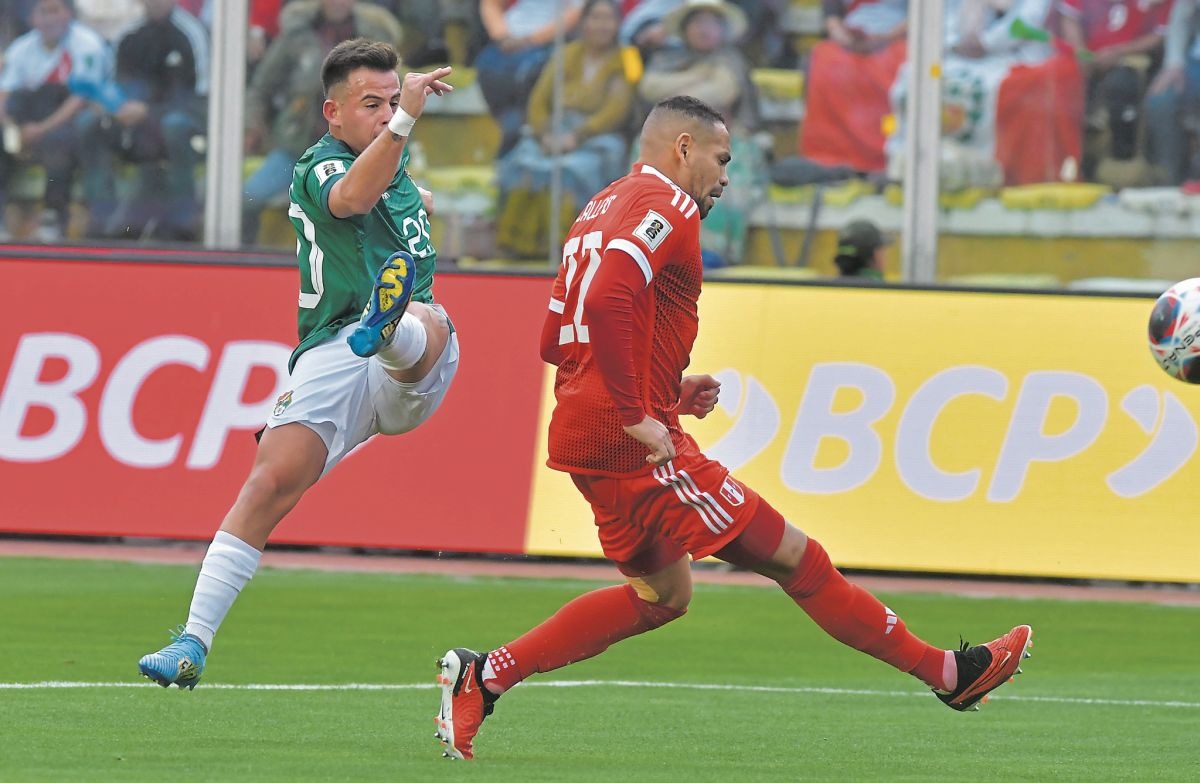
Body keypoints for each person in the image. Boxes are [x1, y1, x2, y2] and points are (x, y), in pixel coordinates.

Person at [432, 95, 1034, 761]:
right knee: (796, 558)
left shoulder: (598, 207)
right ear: (682, 147)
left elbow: (555, 338)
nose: (726, 176)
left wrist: (665, 390)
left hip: (585, 435)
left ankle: (484, 675)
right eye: (721, 159)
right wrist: (637, 411)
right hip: (633, 443)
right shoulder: (669, 206)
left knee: (661, 595)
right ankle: (951, 675)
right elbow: (606, 299)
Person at [136, 39, 458, 690]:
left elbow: (392, 187)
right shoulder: (317, 165)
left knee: (429, 319)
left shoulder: (395, 167)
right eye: (371, 104)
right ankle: (192, 641)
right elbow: (350, 200)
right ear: (331, 112)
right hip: (332, 351)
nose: (388, 113)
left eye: (393, 101)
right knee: (268, 482)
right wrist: (404, 125)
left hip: (412, 364)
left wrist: (410, 170)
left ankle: (390, 326)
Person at [241, 0, 405, 245]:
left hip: (360, 153)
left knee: (390, 207)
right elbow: (261, 87)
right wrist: (252, 127)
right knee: (248, 197)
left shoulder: (374, 38)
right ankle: (243, 262)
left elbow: (396, 97)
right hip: (299, 149)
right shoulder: (296, 36)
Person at [494, 0, 633, 257]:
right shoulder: (565, 53)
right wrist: (544, 132)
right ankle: (519, 246)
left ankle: (569, 248)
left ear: (618, 24)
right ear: (583, 22)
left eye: (608, 19)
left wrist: (577, 136)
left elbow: (617, 109)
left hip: (597, 135)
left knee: (573, 170)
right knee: (523, 163)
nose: (601, 25)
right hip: (552, 131)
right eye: (595, 18)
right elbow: (539, 101)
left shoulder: (628, 57)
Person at [76, 0, 209, 240]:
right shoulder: (129, 34)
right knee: (89, 123)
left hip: (182, 118)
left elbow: (200, 95)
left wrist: (149, 111)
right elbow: (115, 85)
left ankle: (183, 223)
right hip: (135, 119)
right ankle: (102, 217)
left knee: (174, 126)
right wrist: (116, 106)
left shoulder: (192, 32)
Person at [0, 0, 110, 240]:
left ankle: (53, 218)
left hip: (67, 121)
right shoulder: (22, 47)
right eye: (42, 11)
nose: (49, 19)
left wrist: (40, 129)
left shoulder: (86, 44)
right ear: (32, 18)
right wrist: (11, 128)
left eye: (55, 10)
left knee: (59, 141)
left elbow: (81, 98)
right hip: (26, 123)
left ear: (68, 14)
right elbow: (5, 94)